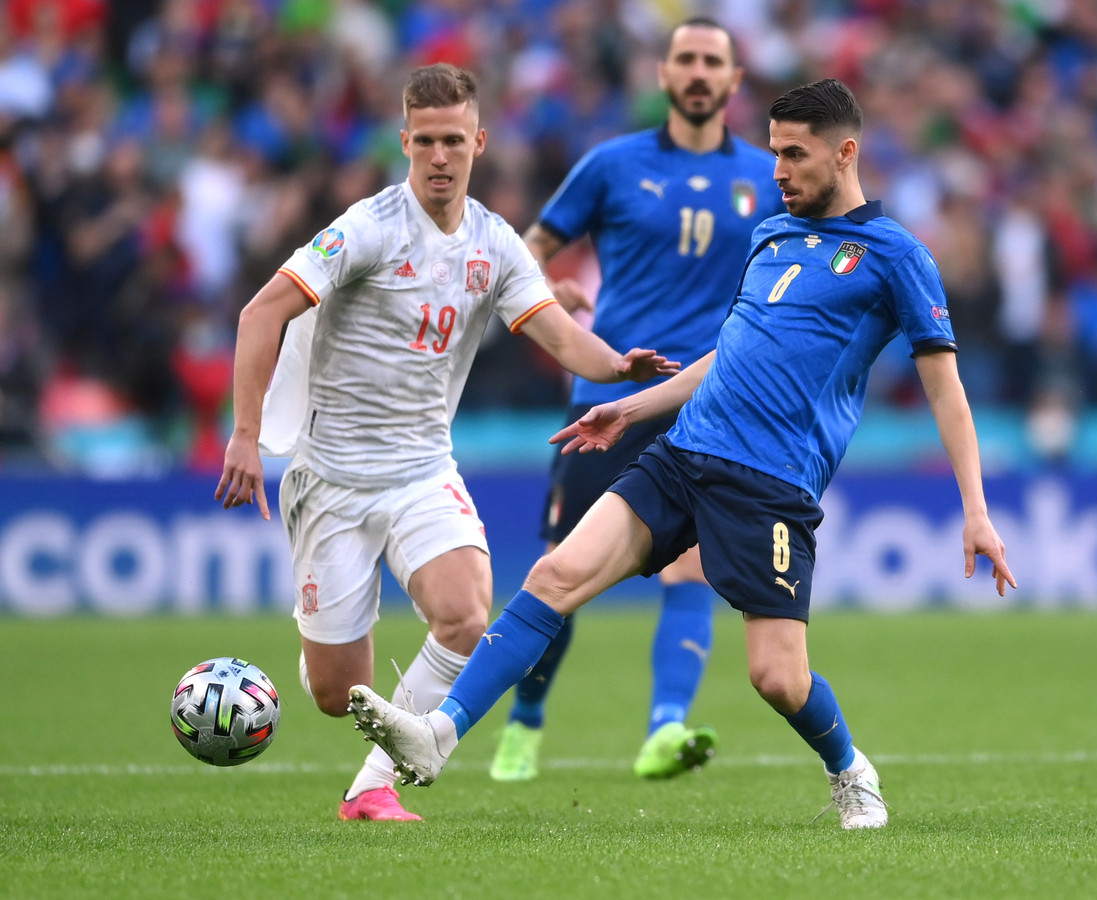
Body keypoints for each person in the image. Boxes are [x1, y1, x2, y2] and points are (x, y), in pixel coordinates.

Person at [346, 78, 1017, 830]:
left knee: (776, 677)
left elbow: (946, 390)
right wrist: (628, 408)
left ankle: (850, 768)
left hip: (770, 483)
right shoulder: (770, 236)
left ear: (845, 153)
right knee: (554, 575)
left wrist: (976, 510)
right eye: (774, 153)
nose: (778, 171)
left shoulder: (896, 255)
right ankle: (439, 734)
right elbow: (729, 355)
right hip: (684, 452)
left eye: (795, 155)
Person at [214, 63, 679, 823]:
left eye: (453, 141)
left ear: (479, 142)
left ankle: (373, 786)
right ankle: (321, 652)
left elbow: (561, 336)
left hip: (422, 468)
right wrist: (243, 434)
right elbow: (259, 314)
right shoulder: (366, 228)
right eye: (425, 141)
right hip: (331, 478)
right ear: (404, 141)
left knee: (466, 615)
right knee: (337, 692)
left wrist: (617, 366)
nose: (439, 156)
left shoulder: (495, 242)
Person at [490, 15, 785, 784]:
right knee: (561, 571)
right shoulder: (612, 164)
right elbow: (527, 248)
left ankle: (664, 728)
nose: (697, 72)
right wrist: (539, 292)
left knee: (690, 569)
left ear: (733, 80)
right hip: (608, 396)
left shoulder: (767, 176)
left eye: (711, 61)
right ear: (663, 74)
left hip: (707, 403)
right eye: (685, 59)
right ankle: (525, 719)